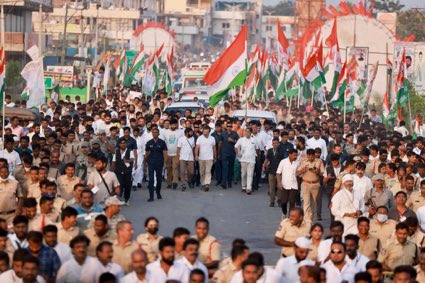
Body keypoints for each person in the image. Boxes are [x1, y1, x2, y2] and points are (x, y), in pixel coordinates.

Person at [296, 148, 324, 222]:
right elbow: (297, 173)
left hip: (315, 184)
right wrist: (303, 170)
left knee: (313, 205)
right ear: (307, 155)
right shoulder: (303, 161)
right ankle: (307, 221)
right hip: (305, 184)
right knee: (306, 203)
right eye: (309, 156)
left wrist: (317, 172)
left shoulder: (319, 161)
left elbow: (323, 173)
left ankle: (310, 220)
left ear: (314, 155)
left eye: (312, 156)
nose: (311, 158)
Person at [145, 127, 168, 201]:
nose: (154, 133)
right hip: (151, 163)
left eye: (156, 132)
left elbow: (165, 153)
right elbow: (147, 153)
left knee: (159, 179)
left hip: (159, 162)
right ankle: (151, 196)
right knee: (151, 180)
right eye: (153, 132)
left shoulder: (162, 142)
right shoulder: (149, 142)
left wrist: (165, 162)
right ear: (152, 133)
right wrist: (144, 163)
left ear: (158, 133)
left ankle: (158, 192)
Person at [234, 128, 258, 195]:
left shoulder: (254, 140)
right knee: (243, 174)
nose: (247, 133)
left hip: (252, 160)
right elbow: (235, 147)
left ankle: (249, 188)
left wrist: (256, 156)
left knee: (250, 174)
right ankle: (243, 186)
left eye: (248, 132)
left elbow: (257, 149)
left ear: (251, 133)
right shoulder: (241, 140)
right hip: (243, 159)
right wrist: (238, 153)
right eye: (246, 132)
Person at [276, 148, 299, 216]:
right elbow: (278, 173)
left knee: (292, 202)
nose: (295, 157)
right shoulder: (283, 162)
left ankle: (290, 217)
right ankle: (284, 212)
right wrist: (279, 183)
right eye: (294, 155)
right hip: (284, 185)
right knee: (284, 201)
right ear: (289, 155)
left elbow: (298, 173)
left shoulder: (297, 163)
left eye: (296, 155)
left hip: (294, 185)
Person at [112, 139, 134, 204]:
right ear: (119, 144)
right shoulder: (116, 152)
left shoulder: (130, 151)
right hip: (118, 172)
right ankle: (118, 197)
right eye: (121, 143)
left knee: (127, 186)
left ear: (126, 144)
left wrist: (127, 161)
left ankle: (127, 199)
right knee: (119, 185)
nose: (123, 144)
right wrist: (111, 171)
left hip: (127, 172)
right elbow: (113, 162)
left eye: (124, 143)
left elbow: (132, 159)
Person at [264, 138, 285, 206]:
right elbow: (267, 159)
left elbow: (284, 160)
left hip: (280, 172)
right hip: (271, 171)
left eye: (276, 143)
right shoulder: (270, 151)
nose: (274, 144)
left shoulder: (282, 150)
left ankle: (279, 200)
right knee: (271, 187)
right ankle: (272, 201)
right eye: (273, 143)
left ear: (278, 143)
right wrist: (264, 165)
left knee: (279, 187)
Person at [195, 126, 216, 192]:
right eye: (204, 131)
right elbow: (197, 147)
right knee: (202, 172)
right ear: (203, 131)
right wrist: (196, 155)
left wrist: (214, 157)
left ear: (209, 132)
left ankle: (207, 184)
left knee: (208, 171)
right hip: (201, 158)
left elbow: (214, 148)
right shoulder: (199, 138)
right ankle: (202, 183)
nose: (205, 133)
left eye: (206, 132)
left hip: (209, 158)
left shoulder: (212, 138)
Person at [164, 119, 183, 190]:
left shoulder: (180, 132)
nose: (173, 126)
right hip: (168, 154)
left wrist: (179, 154)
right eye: (172, 125)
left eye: (175, 125)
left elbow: (181, 143)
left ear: (177, 125)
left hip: (176, 154)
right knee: (168, 168)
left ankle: (175, 182)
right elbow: (164, 143)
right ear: (169, 125)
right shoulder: (166, 132)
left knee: (175, 168)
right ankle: (169, 183)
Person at [220, 120, 239, 189]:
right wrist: (219, 153)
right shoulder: (223, 133)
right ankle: (224, 182)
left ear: (232, 127)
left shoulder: (235, 133)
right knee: (225, 168)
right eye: (227, 126)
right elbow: (220, 143)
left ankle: (229, 182)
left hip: (232, 153)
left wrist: (233, 141)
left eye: (230, 126)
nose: (228, 127)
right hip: (224, 153)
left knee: (231, 168)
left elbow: (238, 143)